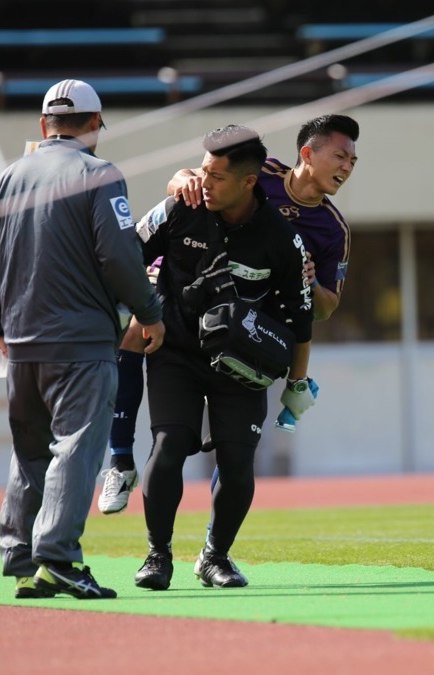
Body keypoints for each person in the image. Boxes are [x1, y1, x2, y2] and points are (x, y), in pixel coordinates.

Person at [98, 114, 359, 514]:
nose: (347, 167)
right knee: (137, 329)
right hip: (195, 282)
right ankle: (120, 461)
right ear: (307, 154)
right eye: (341, 156)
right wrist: (182, 179)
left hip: (251, 323)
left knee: (235, 450)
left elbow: (325, 309)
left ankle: (216, 533)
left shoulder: (334, 229)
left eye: (352, 161)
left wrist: (309, 282)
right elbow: (194, 179)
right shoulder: (259, 172)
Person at [0, 79, 165, 600]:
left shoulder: (7, 178)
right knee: (76, 449)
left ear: (44, 125)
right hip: (81, 341)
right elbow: (119, 255)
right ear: (96, 124)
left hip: (20, 342)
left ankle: (22, 559)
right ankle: (58, 559)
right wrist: (149, 312)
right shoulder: (99, 173)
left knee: (29, 452)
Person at [130, 125, 315, 591]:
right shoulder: (179, 207)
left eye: (216, 176)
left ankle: (215, 557)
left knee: (237, 463)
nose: (204, 182)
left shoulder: (281, 238)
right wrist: (142, 314)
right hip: (174, 353)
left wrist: (297, 385)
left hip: (242, 364)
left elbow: (300, 319)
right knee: (169, 445)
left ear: (248, 182)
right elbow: (125, 257)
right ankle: (157, 556)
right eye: (202, 171)